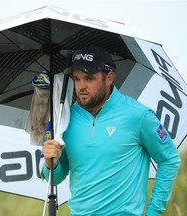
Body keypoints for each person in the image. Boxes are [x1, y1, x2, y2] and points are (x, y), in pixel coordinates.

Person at [42, 47, 181, 216]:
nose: (81, 86)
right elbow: (56, 177)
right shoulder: (65, 119)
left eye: (89, 78)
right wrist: (52, 164)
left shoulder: (138, 115)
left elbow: (169, 160)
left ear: (109, 78)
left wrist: (154, 212)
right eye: (77, 79)